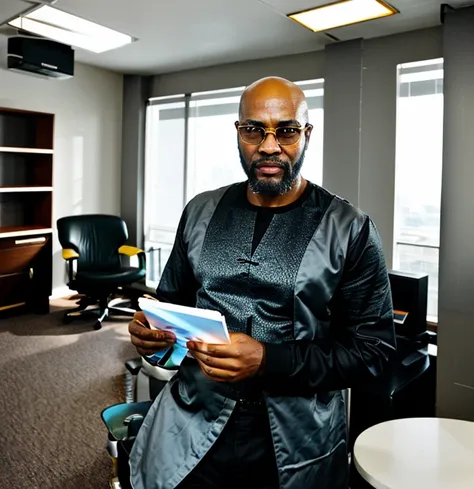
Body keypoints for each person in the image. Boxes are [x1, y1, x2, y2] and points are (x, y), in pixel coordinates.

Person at [128, 76, 397, 489]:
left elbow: (374, 352)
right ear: (238, 133)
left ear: (306, 134)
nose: (269, 146)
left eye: (286, 130)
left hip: (294, 438)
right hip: (192, 417)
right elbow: (170, 304)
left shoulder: (350, 229)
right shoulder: (200, 211)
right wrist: (151, 333)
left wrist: (269, 361)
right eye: (254, 129)